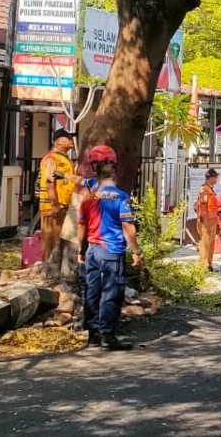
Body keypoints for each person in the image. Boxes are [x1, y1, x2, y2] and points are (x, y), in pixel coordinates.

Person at [77, 145, 141, 351]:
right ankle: (108, 335)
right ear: (114, 171)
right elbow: (127, 226)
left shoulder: (88, 198)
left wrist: (80, 249)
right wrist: (136, 251)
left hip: (92, 250)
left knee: (92, 291)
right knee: (111, 292)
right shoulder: (120, 197)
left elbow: (81, 226)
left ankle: (93, 334)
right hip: (111, 251)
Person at [38, 128, 81, 262]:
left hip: (65, 206)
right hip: (54, 208)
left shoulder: (66, 159)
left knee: (62, 241)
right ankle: (48, 270)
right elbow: (50, 182)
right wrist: (54, 204)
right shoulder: (51, 159)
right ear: (57, 142)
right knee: (51, 241)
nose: (71, 140)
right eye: (67, 138)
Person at [196, 169, 220, 270]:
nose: (216, 179)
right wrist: (206, 222)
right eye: (215, 177)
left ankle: (209, 264)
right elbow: (203, 206)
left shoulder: (210, 190)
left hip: (212, 221)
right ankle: (203, 266)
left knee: (211, 244)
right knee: (205, 244)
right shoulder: (204, 190)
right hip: (206, 222)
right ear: (210, 178)